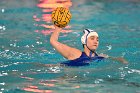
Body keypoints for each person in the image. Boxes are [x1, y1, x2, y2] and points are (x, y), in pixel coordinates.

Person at [50, 25, 128, 66]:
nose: (96, 41)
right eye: (92, 38)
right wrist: (58, 28)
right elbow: (53, 41)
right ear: (84, 40)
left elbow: (115, 59)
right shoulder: (75, 53)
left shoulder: (100, 56)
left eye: (97, 39)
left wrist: (121, 60)